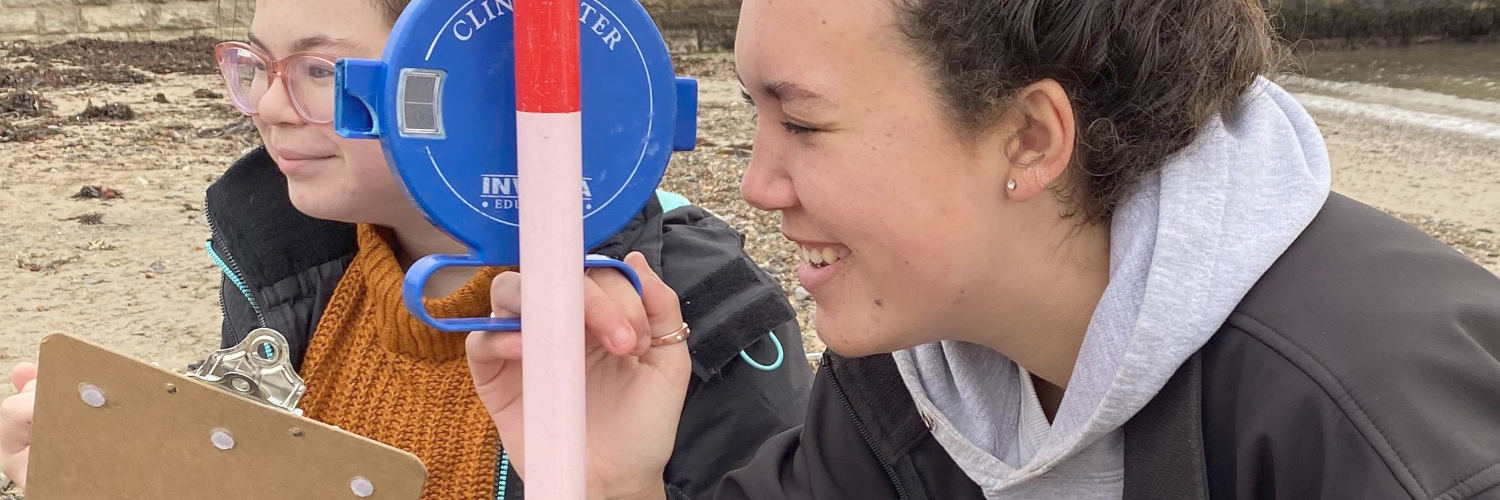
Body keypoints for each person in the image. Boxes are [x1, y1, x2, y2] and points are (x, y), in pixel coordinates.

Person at [467, 0, 1500, 498]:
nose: (755, 182)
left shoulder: (1380, 423)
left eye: (804, 123)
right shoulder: (909, 390)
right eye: (752, 114)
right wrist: (606, 481)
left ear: (1031, 138)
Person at [0, 1, 812, 498]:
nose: (269, 108)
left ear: (480, 75)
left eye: (318, 70)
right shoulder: (285, 259)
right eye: (255, 64)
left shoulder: (695, 315)